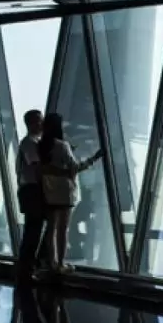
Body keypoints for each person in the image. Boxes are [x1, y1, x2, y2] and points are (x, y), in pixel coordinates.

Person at [38, 113, 102, 273]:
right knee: (62, 229)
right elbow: (75, 168)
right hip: (64, 192)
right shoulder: (62, 145)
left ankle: (51, 262)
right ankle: (60, 263)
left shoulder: (40, 145)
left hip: (48, 191)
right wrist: (93, 159)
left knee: (51, 229)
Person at [15, 110, 48, 272]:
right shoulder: (29, 143)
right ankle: (27, 266)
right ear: (30, 124)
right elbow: (36, 167)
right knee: (33, 231)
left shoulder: (33, 142)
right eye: (38, 121)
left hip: (32, 190)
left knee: (34, 229)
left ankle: (29, 265)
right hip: (32, 190)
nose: (41, 124)